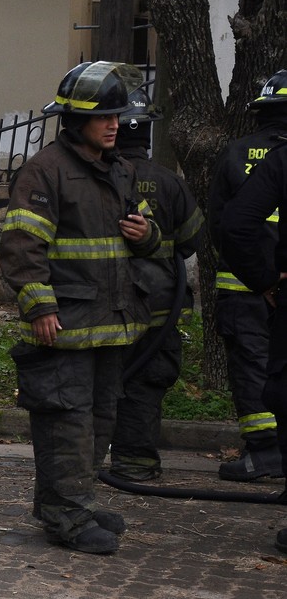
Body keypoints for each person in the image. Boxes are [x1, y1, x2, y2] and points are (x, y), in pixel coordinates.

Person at [0, 61, 158, 554]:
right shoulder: (45, 171)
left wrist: (146, 234)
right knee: (65, 421)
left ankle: (74, 503)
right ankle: (67, 516)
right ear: (75, 121)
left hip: (109, 322)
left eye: (117, 116)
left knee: (99, 419)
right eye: (103, 117)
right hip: (64, 323)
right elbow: (22, 245)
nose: (114, 125)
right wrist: (39, 307)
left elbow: (147, 233)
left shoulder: (121, 170)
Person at [106, 87, 205, 481]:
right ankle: (135, 465)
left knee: (104, 380)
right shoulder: (169, 182)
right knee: (145, 382)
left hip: (106, 304)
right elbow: (192, 240)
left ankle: (88, 462)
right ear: (147, 132)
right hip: (159, 307)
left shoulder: (98, 179)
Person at [219, 71, 287, 554]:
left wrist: (262, 278)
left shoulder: (237, 153)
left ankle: (264, 453)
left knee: (256, 369)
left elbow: (225, 223)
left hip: (251, 286)